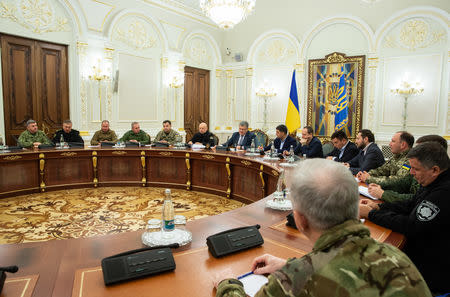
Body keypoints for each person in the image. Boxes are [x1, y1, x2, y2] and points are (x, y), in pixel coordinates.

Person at [215, 159, 431, 297]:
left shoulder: (297, 278)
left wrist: (227, 285)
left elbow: (324, 271)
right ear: (355, 208)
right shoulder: (396, 256)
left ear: (299, 219)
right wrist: (291, 264)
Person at [360, 142, 450, 293]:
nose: (412, 173)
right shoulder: (432, 181)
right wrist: (378, 207)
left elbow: (411, 225)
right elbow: (410, 204)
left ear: (435, 170)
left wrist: (370, 214)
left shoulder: (443, 192)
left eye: (415, 169)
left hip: (431, 271)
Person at [366, 135, 447, 203]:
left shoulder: (441, 186)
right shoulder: (401, 158)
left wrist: (383, 194)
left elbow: (415, 199)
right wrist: (378, 185)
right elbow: (402, 182)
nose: (411, 172)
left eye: (421, 150)